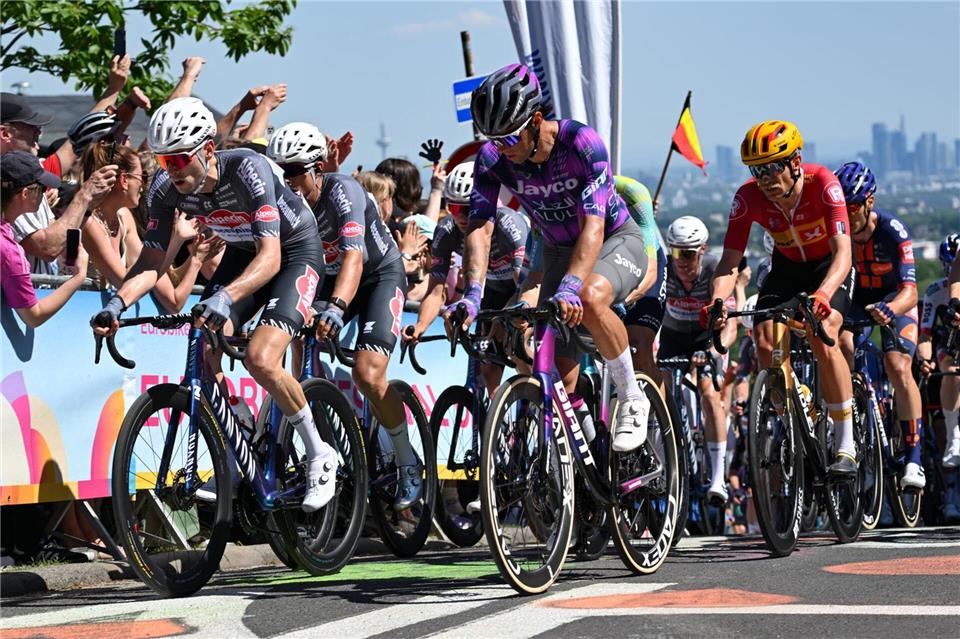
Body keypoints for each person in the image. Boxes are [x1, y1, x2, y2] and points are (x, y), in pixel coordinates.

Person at [91, 98, 335, 513]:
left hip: (292, 252)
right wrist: (116, 304)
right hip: (244, 253)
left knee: (260, 356)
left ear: (206, 150)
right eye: (165, 161)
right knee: (206, 348)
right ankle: (240, 444)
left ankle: (318, 451)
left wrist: (223, 296)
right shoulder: (166, 188)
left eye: (181, 160)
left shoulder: (246, 169)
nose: (172, 171)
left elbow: (272, 257)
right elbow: (151, 263)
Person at [449, 63, 650, 452]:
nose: (500, 148)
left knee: (589, 298)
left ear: (536, 120)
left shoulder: (580, 142)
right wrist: (473, 294)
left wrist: (572, 287)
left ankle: (631, 395)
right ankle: (590, 457)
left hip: (614, 240)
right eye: (493, 139)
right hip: (559, 251)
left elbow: (593, 225)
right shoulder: (493, 158)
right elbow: (480, 228)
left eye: (508, 137)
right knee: (556, 372)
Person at [267, 122, 423, 510]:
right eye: (280, 170)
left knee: (368, 373)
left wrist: (336, 308)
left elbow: (354, 257)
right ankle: (321, 449)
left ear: (318, 168)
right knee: (298, 348)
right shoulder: (283, 202)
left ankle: (407, 460)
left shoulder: (344, 191)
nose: (288, 180)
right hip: (330, 277)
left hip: (376, 275)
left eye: (296, 170)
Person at [705, 120, 857, 479]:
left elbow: (844, 254)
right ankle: (793, 413)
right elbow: (729, 261)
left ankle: (846, 442)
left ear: (795, 162)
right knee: (763, 342)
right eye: (758, 170)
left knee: (825, 332)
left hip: (828, 268)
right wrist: (717, 302)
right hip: (786, 269)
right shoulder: (748, 197)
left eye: (773, 166)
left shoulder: (824, 186)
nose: (766, 178)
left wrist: (824, 293)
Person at [403, 161, 530, 396]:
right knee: (489, 373)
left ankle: (536, 406)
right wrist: (420, 326)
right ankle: (499, 428)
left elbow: (524, 283)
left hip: (522, 288)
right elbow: (435, 290)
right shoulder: (447, 230)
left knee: (518, 349)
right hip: (490, 291)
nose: (460, 216)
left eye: (467, 208)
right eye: (453, 207)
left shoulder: (509, 223)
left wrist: (504, 319)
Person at [834, 161, 925, 489]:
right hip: (856, 298)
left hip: (892, 297)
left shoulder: (892, 230)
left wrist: (890, 308)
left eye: (853, 206)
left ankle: (914, 458)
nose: (847, 214)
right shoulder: (838, 231)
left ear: (869, 202)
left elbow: (911, 291)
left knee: (898, 365)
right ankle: (847, 419)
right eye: (842, 207)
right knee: (839, 344)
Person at [660, 216, 737, 502]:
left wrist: (718, 351)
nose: (681, 260)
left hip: (706, 337)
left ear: (702, 250)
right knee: (661, 392)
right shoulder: (664, 267)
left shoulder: (714, 269)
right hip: (672, 333)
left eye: (688, 253)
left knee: (709, 394)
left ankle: (718, 477)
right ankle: (664, 466)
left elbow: (730, 324)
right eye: (676, 252)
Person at [1, 152, 90, 327]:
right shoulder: (9, 251)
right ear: (26, 193)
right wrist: (78, 277)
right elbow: (34, 316)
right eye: (41, 188)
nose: (46, 192)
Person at [919, 235, 960, 476]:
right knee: (951, 371)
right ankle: (954, 435)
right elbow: (925, 336)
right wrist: (925, 360)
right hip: (947, 343)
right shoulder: (935, 291)